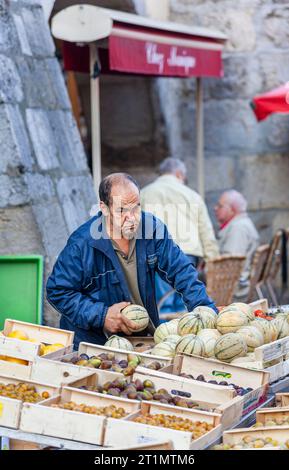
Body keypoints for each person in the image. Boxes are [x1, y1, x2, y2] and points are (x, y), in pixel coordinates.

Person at [47, 173, 217, 348]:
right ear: (104, 208)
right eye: (121, 210)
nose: (132, 218)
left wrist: (207, 313)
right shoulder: (82, 244)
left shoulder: (152, 229)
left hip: (138, 339)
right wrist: (102, 315)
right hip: (91, 343)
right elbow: (58, 291)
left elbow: (182, 272)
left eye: (136, 208)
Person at [141, 158, 219, 312]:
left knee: (163, 303)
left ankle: (166, 334)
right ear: (179, 174)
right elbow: (206, 231)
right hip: (189, 253)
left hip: (156, 254)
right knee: (186, 300)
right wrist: (212, 259)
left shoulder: (144, 193)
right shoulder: (193, 195)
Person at [215, 190, 260, 298]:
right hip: (235, 287)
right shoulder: (240, 225)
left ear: (232, 210)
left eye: (220, 206)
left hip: (233, 292)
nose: (215, 208)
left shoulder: (239, 228)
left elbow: (230, 265)